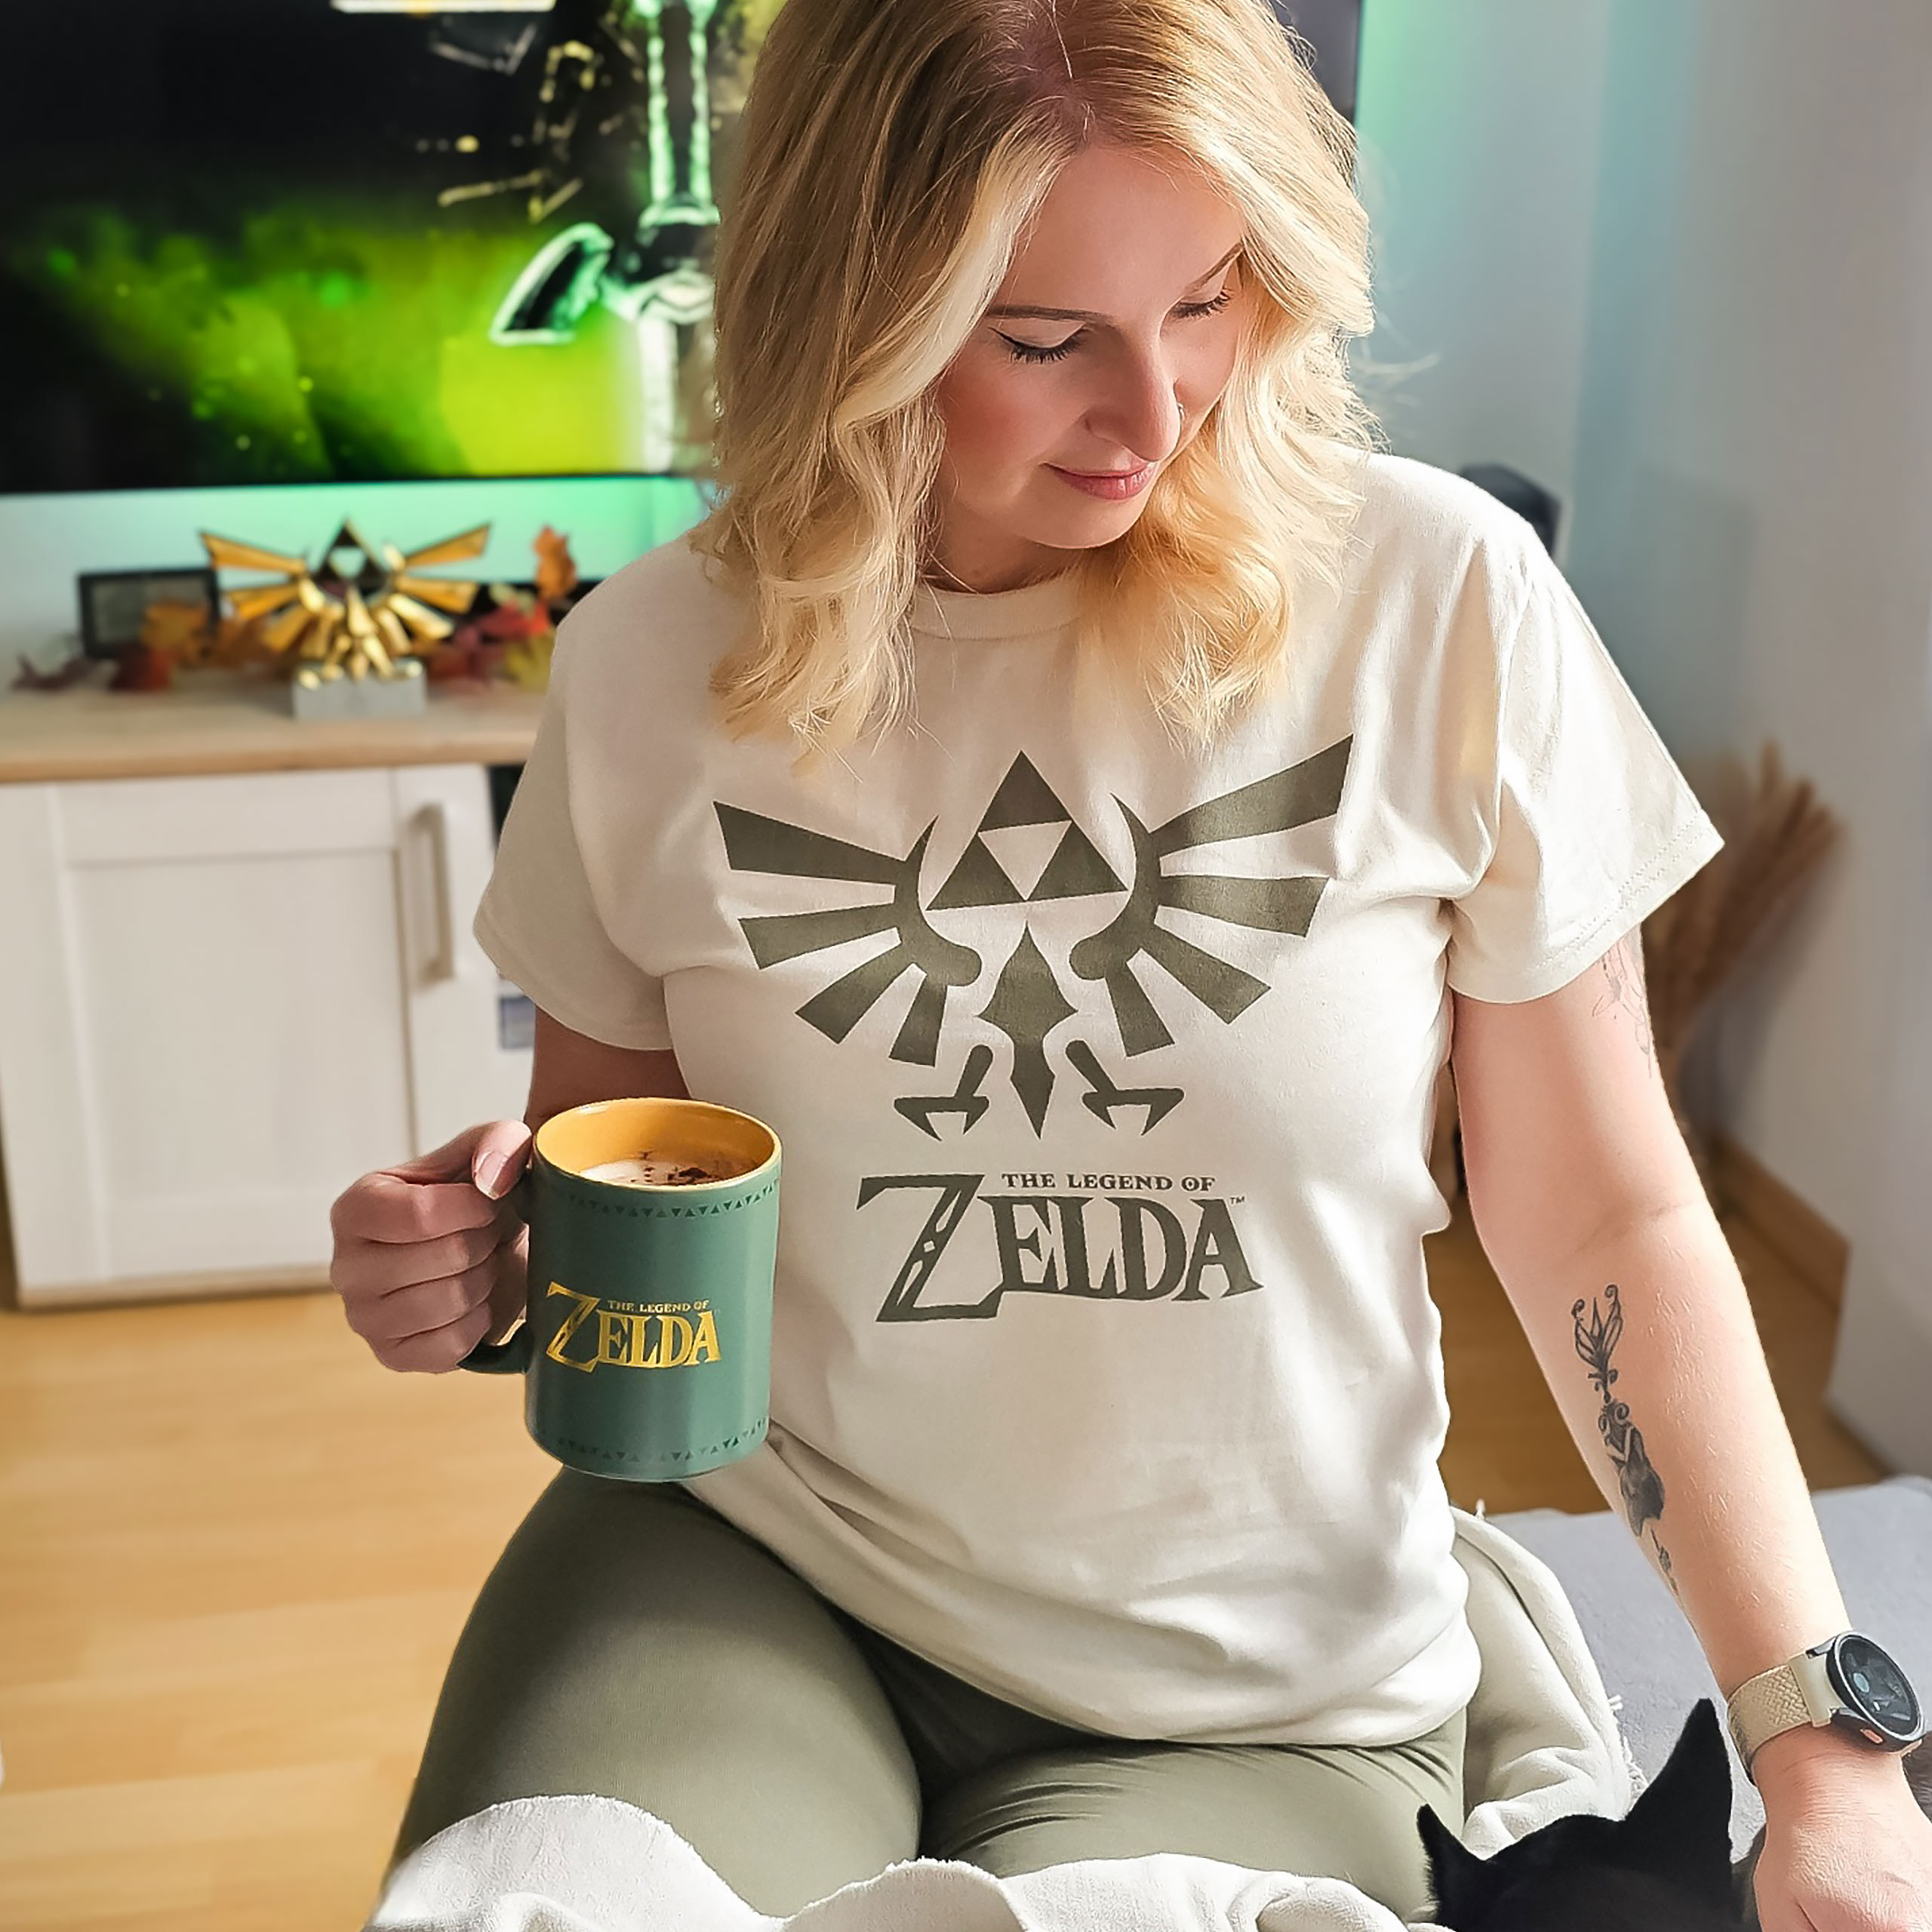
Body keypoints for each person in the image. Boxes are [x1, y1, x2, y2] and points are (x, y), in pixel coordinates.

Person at [328, 1, 1932, 1924]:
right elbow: (623, 1180)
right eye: (1041, 339)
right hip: (752, 1576)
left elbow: (1604, 1215)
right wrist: (486, 1268)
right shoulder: (650, 661)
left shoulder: (1435, 604)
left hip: (1261, 1687)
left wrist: (1818, 1742)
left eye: (1204, 297)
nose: (1155, 412)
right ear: (852, 309)